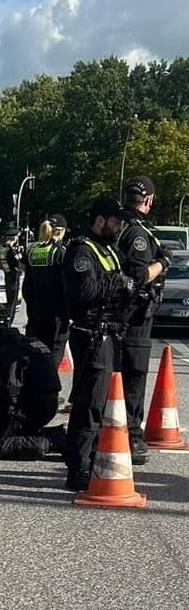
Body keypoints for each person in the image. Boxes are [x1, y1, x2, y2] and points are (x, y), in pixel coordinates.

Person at [63, 196, 135, 491]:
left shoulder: (108, 249)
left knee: (103, 403)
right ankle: (78, 467)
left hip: (111, 333)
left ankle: (92, 458)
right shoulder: (82, 249)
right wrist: (117, 284)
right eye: (116, 221)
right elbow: (85, 291)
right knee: (90, 403)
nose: (119, 227)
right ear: (100, 220)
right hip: (92, 335)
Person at [116, 176, 171, 466]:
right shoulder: (137, 232)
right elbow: (139, 277)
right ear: (148, 200)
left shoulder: (115, 225)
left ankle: (107, 431)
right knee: (133, 376)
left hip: (111, 317)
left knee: (109, 376)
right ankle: (131, 436)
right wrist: (162, 263)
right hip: (134, 316)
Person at [0, 309, 65, 461]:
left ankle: (49, 442)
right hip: (45, 403)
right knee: (16, 435)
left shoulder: (8, 352)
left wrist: (3, 424)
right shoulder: (27, 342)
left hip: (32, 408)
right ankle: (52, 436)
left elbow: (10, 393)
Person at [21, 215, 70, 369]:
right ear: (61, 231)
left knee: (35, 354)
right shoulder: (60, 251)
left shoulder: (32, 250)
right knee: (52, 357)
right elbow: (65, 285)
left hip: (35, 312)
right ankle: (48, 390)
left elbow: (26, 284)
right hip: (55, 316)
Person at [1, 226, 24, 321]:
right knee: (12, 303)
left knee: (9, 301)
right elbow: (17, 263)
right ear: (14, 238)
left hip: (7, 276)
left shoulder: (4, 249)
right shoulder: (11, 250)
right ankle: (9, 322)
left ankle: (7, 320)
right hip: (13, 278)